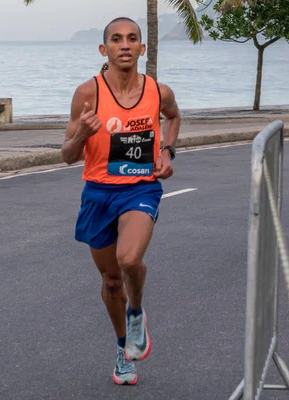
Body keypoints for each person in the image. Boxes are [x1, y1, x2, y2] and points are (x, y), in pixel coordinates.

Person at [64, 17, 181, 385]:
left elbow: (174, 118)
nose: (125, 45)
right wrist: (82, 132)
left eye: (132, 39)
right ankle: (122, 347)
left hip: (140, 189)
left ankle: (136, 312)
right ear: (105, 50)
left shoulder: (158, 92)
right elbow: (67, 155)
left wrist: (166, 151)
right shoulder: (88, 93)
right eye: (116, 39)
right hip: (98, 193)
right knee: (112, 279)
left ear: (142, 49)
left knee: (129, 258)